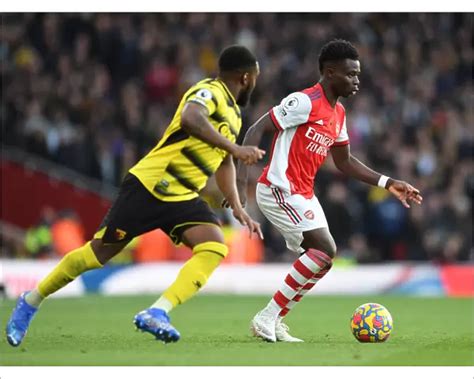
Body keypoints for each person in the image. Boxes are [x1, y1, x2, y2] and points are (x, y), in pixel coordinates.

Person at [6, 45, 265, 346]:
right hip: (151, 185)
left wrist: (236, 206)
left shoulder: (234, 114)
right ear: (246, 77)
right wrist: (236, 148)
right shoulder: (210, 90)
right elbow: (190, 119)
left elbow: (223, 162)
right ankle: (31, 300)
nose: (256, 83)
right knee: (97, 254)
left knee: (214, 246)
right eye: (256, 78)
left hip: (183, 196)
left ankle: (157, 311)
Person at [233, 39, 423, 342]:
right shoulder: (305, 101)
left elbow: (344, 162)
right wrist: (240, 183)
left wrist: (388, 182)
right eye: (350, 74)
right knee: (324, 249)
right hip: (278, 187)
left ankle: (275, 319)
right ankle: (266, 316)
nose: (357, 81)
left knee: (323, 259)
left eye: (358, 74)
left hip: (303, 193)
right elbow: (256, 128)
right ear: (330, 72)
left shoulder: (339, 114)